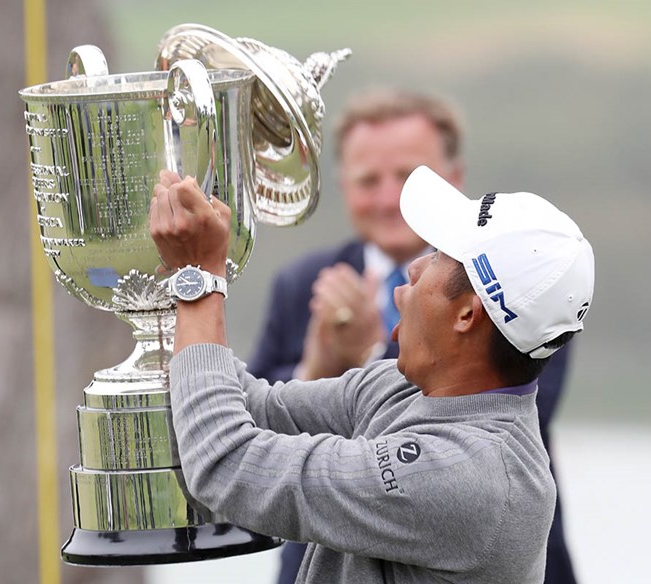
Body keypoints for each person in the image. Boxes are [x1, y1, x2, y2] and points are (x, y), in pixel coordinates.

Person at [148, 165, 595, 584]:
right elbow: (251, 409)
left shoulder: (471, 478)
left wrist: (202, 278)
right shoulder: (404, 386)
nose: (415, 266)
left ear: (466, 314)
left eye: (438, 255)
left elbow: (226, 464)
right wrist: (185, 277)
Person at [248, 89, 579, 584]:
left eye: (405, 177)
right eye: (367, 180)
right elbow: (255, 410)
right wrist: (318, 370)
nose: (386, 198)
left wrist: (368, 355)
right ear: (342, 186)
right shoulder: (302, 283)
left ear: (456, 179)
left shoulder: (526, 287)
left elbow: (480, 411)